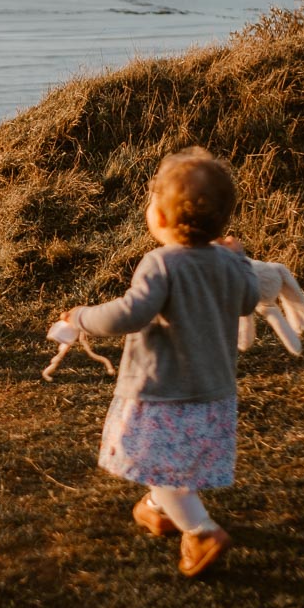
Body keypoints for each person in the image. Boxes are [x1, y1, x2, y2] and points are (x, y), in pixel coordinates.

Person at [61, 148, 260, 578]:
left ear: (163, 220)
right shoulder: (228, 261)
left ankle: (201, 530)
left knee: (160, 464)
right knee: (173, 462)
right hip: (213, 392)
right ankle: (158, 508)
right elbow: (248, 300)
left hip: (162, 391)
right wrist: (240, 259)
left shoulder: (161, 264)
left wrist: (80, 317)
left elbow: (130, 313)